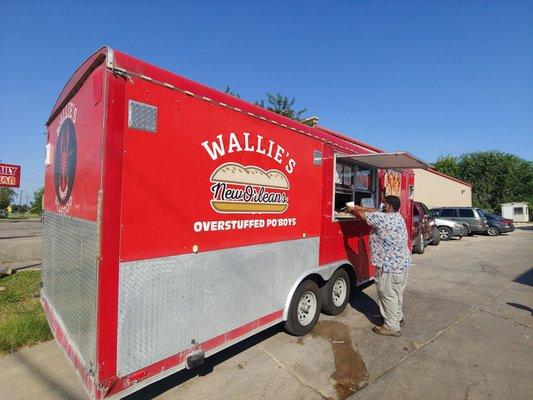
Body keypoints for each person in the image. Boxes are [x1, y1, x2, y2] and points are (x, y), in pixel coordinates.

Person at [348, 195, 411, 337]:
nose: (381, 206)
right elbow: (375, 211)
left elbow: (364, 216)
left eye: (384, 204)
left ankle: (391, 326)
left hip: (389, 267)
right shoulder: (397, 217)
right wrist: (362, 207)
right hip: (402, 264)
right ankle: (397, 318)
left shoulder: (383, 219)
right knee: (396, 293)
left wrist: (353, 209)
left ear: (388, 206)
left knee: (387, 294)